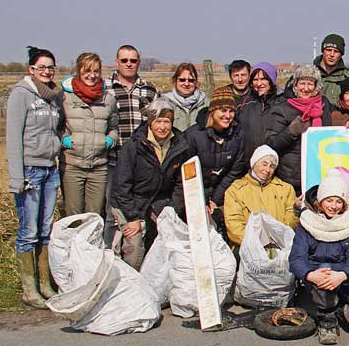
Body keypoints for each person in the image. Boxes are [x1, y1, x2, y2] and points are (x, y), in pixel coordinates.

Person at [289, 170, 349, 344]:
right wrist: (310, 275)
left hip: (342, 279)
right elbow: (296, 259)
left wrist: (343, 275)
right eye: (329, 200)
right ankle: (326, 321)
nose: (334, 205)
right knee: (326, 268)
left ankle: (337, 311)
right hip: (317, 279)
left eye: (339, 201)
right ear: (320, 201)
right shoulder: (306, 223)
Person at [6, 46, 63, 308]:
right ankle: (29, 290)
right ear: (31, 69)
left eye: (50, 67)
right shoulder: (21, 95)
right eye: (42, 67)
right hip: (30, 170)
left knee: (44, 231)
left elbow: (56, 131)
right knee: (28, 231)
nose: (47, 71)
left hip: (50, 169)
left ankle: (45, 285)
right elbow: (13, 139)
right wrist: (17, 178)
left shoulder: (53, 97)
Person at [111, 98, 191, 269]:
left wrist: (173, 212)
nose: (162, 127)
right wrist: (133, 218)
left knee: (170, 238)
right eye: (158, 121)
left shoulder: (180, 145)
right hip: (131, 202)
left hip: (160, 200)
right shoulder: (134, 147)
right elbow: (121, 187)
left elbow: (179, 184)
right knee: (135, 244)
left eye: (167, 122)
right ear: (150, 122)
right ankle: (131, 281)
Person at [174, 87, 246, 240]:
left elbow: (234, 170)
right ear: (213, 111)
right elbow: (188, 174)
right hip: (193, 193)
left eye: (231, 111)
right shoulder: (193, 136)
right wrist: (203, 201)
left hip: (219, 193)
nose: (227, 116)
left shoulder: (237, 135)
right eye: (223, 111)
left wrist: (215, 199)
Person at [105, 45, 158, 247]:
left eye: (133, 60)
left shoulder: (150, 89)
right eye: (124, 60)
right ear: (116, 62)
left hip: (142, 162)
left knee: (143, 209)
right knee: (113, 212)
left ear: (139, 62)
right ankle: (109, 256)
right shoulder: (105, 88)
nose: (129, 64)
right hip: (113, 158)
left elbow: (157, 123)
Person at [60, 52, 119, 217]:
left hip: (98, 167)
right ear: (79, 71)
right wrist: (65, 140)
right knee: (74, 215)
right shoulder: (65, 97)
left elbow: (114, 128)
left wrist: (108, 140)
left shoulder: (108, 99)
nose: (92, 75)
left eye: (96, 71)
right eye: (87, 71)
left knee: (94, 216)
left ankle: (91, 244)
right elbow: (56, 126)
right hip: (72, 165)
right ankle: (73, 244)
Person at [266, 64, 333, 192]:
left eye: (310, 84)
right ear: (295, 84)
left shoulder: (324, 105)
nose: (306, 88)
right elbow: (271, 143)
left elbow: (330, 134)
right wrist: (291, 131)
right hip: (292, 178)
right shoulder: (282, 108)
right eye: (302, 83)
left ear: (316, 86)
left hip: (319, 173)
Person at [223, 145, 299, 248]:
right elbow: (234, 224)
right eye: (264, 164)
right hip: (248, 248)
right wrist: (257, 243)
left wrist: (296, 211)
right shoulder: (235, 190)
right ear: (254, 164)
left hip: (279, 246)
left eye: (272, 166)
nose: (267, 170)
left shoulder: (286, 189)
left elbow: (290, 223)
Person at [285, 33, 349, 106]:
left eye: (336, 51)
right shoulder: (306, 73)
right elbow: (289, 95)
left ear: (341, 54)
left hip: (338, 117)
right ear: (323, 51)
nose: (332, 54)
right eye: (329, 50)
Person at [237, 62, 282, 166]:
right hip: (249, 161)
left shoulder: (282, 103)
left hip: (275, 161)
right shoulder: (245, 104)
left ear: (271, 80)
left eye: (263, 79)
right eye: (255, 80)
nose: (259, 83)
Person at [162, 63, 208, 132]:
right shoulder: (164, 102)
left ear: (196, 82)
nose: (186, 84)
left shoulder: (206, 103)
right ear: (175, 81)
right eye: (182, 80)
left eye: (191, 80)